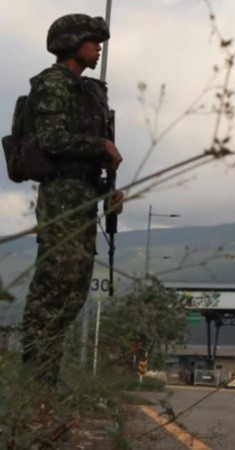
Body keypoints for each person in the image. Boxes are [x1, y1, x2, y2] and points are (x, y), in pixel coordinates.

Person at [20, 13, 123, 386]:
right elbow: (51, 139)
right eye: (93, 41)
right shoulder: (53, 83)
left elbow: (86, 152)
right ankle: (34, 374)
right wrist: (100, 145)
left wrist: (107, 192)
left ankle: (47, 371)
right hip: (61, 193)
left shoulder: (88, 90)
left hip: (82, 193)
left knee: (74, 286)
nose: (98, 48)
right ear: (73, 42)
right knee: (55, 282)